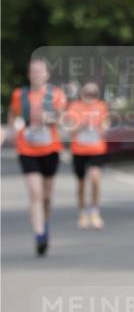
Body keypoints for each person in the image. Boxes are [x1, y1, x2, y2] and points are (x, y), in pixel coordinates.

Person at [8, 57, 67, 256]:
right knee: (35, 193)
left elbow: (63, 119)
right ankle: (39, 234)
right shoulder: (19, 95)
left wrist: (50, 118)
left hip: (50, 149)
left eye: (40, 71)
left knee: (46, 197)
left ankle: (45, 223)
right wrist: (12, 131)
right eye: (33, 71)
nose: (36, 75)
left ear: (47, 74)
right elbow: (12, 116)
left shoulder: (56, 95)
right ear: (28, 74)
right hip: (27, 149)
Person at [65, 82, 110, 229]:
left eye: (93, 93)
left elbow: (106, 125)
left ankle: (95, 211)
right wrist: (81, 125)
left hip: (97, 149)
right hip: (79, 150)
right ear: (82, 93)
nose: (90, 96)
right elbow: (69, 129)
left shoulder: (101, 106)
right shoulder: (74, 107)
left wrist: (100, 127)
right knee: (81, 184)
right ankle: (82, 212)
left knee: (96, 178)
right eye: (87, 93)